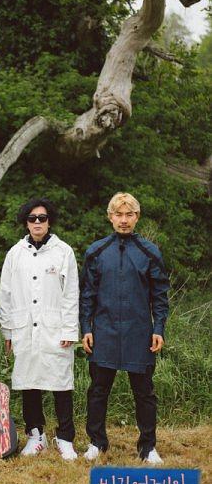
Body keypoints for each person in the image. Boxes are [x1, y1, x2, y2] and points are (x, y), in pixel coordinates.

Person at [80, 192, 170, 464]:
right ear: (110, 217)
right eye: (118, 214)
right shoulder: (96, 251)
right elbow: (87, 295)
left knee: (144, 392)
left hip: (139, 333)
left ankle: (148, 447)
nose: (123, 220)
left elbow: (160, 296)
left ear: (137, 217)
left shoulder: (149, 252)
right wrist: (86, 328)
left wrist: (159, 328)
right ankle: (97, 442)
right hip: (104, 331)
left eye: (129, 214)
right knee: (98, 390)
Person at [0, 197, 79, 460]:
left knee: (61, 382)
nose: (37, 223)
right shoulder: (15, 253)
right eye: (32, 218)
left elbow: (71, 294)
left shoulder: (63, 252)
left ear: (49, 221)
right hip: (24, 328)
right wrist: (8, 330)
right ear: (26, 222)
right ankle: (36, 434)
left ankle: (65, 437)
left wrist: (69, 330)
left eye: (42, 218)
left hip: (55, 329)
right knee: (29, 381)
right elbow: (6, 294)